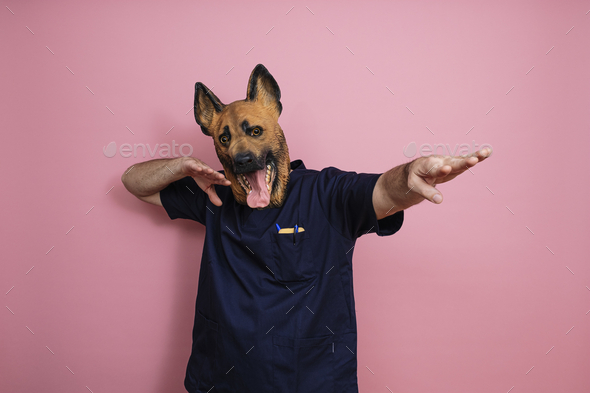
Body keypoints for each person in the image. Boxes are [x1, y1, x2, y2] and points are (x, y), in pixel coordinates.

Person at [121, 64, 491, 392]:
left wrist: (408, 177)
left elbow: (381, 189)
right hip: (220, 378)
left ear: (275, 115)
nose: (240, 151)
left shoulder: (326, 193)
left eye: (253, 132)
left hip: (308, 380)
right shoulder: (212, 193)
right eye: (226, 139)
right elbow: (133, 181)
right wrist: (181, 166)